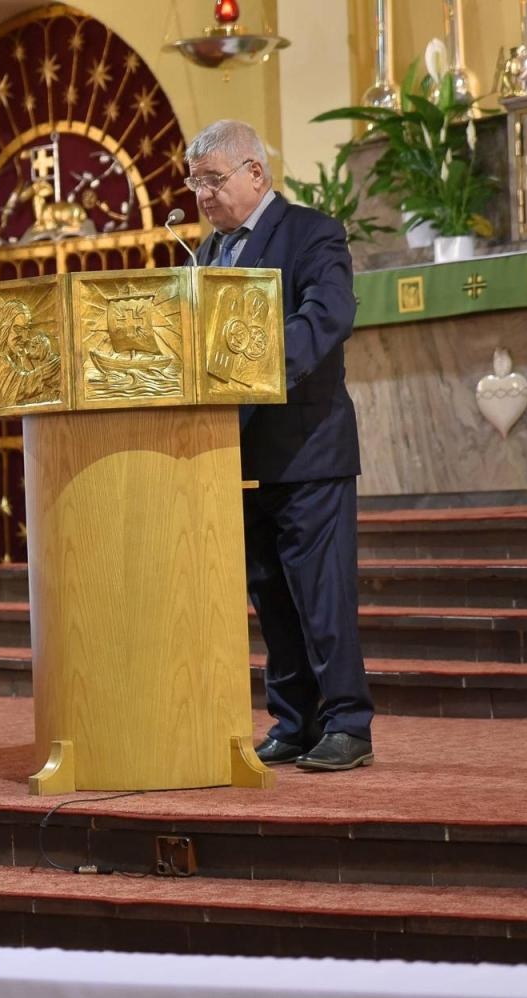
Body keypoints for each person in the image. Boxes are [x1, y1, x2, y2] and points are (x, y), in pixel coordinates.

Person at [185, 119, 374, 772]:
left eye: (213, 180)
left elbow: (329, 315)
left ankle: (348, 723)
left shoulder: (311, 233)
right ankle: (294, 721)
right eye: (195, 183)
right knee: (270, 598)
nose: (202, 195)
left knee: (322, 596)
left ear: (255, 173)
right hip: (235, 452)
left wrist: (252, 364)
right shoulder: (206, 252)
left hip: (307, 450)